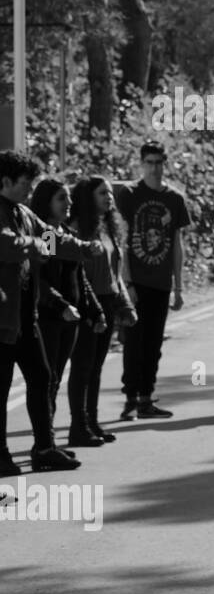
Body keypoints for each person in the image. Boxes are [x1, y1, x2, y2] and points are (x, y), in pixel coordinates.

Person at [0, 152, 100, 476]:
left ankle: (45, 448)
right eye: (25, 182)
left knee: (42, 378)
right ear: (5, 182)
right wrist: (33, 245)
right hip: (1, 320)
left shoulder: (25, 214)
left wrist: (84, 248)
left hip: (24, 319)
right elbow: (7, 244)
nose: (30, 189)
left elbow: (53, 240)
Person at [116, 142, 192, 420]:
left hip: (161, 282)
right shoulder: (129, 194)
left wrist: (179, 286)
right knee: (133, 341)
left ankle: (146, 397)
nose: (155, 168)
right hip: (135, 281)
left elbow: (176, 245)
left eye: (159, 162)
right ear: (141, 163)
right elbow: (121, 239)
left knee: (153, 344)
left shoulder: (175, 198)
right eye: (149, 162)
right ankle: (130, 398)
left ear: (165, 163)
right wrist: (127, 283)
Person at [31, 179, 105, 444]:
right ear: (47, 202)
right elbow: (42, 277)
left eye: (69, 198)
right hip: (50, 319)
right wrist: (59, 305)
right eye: (62, 198)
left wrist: (94, 310)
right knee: (47, 382)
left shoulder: (61, 233)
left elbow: (79, 276)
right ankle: (45, 442)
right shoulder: (48, 236)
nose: (69, 203)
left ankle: (55, 438)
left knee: (55, 380)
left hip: (71, 318)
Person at [67, 177, 137, 447]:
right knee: (82, 366)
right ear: (87, 197)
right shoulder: (74, 228)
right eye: (102, 193)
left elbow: (115, 273)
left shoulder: (109, 228)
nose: (109, 197)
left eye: (110, 193)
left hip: (107, 301)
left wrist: (124, 304)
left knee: (95, 367)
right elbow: (59, 266)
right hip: (86, 302)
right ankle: (78, 426)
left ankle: (92, 422)